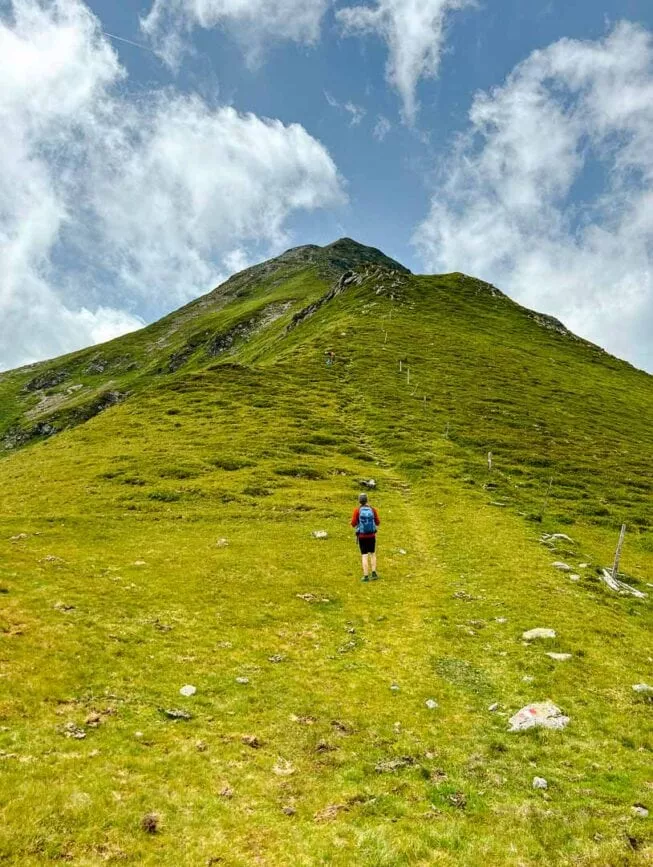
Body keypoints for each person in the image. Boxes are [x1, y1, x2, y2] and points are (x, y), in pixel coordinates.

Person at [351, 493, 380, 582]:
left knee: (364, 555)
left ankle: (366, 576)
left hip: (362, 536)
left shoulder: (357, 510)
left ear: (359, 501)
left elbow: (353, 523)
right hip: (371, 535)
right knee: (372, 554)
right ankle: (374, 573)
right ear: (367, 500)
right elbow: (378, 522)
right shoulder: (372, 509)